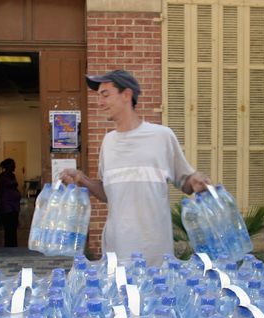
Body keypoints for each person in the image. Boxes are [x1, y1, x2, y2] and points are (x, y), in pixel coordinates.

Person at [61, 69, 210, 266]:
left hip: (155, 252)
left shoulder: (162, 137)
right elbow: (109, 193)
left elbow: (186, 182)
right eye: (99, 97)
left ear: (127, 95)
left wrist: (197, 180)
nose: (100, 102)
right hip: (116, 250)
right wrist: (83, 179)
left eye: (105, 95)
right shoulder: (108, 142)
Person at [0, 158, 21, 247]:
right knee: (9, 228)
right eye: (13, 164)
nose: (15, 166)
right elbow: (12, 184)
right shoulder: (3, 177)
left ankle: (14, 246)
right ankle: (9, 247)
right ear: (8, 166)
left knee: (13, 227)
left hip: (14, 206)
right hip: (7, 207)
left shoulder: (11, 175)